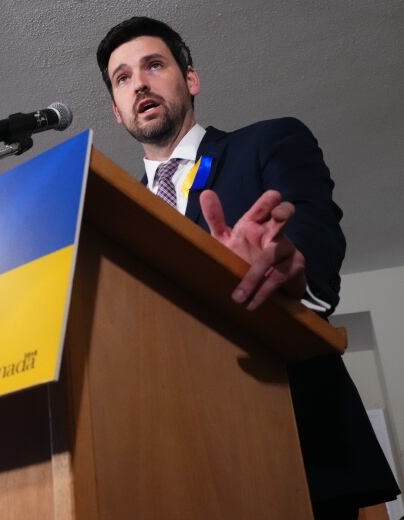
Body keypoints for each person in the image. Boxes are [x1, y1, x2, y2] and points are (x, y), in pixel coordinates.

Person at [96, 16, 400, 519]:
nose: (140, 84)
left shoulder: (266, 143)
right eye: (123, 78)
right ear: (115, 109)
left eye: (154, 65)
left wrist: (292, 264)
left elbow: (313, 226)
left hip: (293, 443)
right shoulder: (115, 211)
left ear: (190, 80)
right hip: (168, 470)